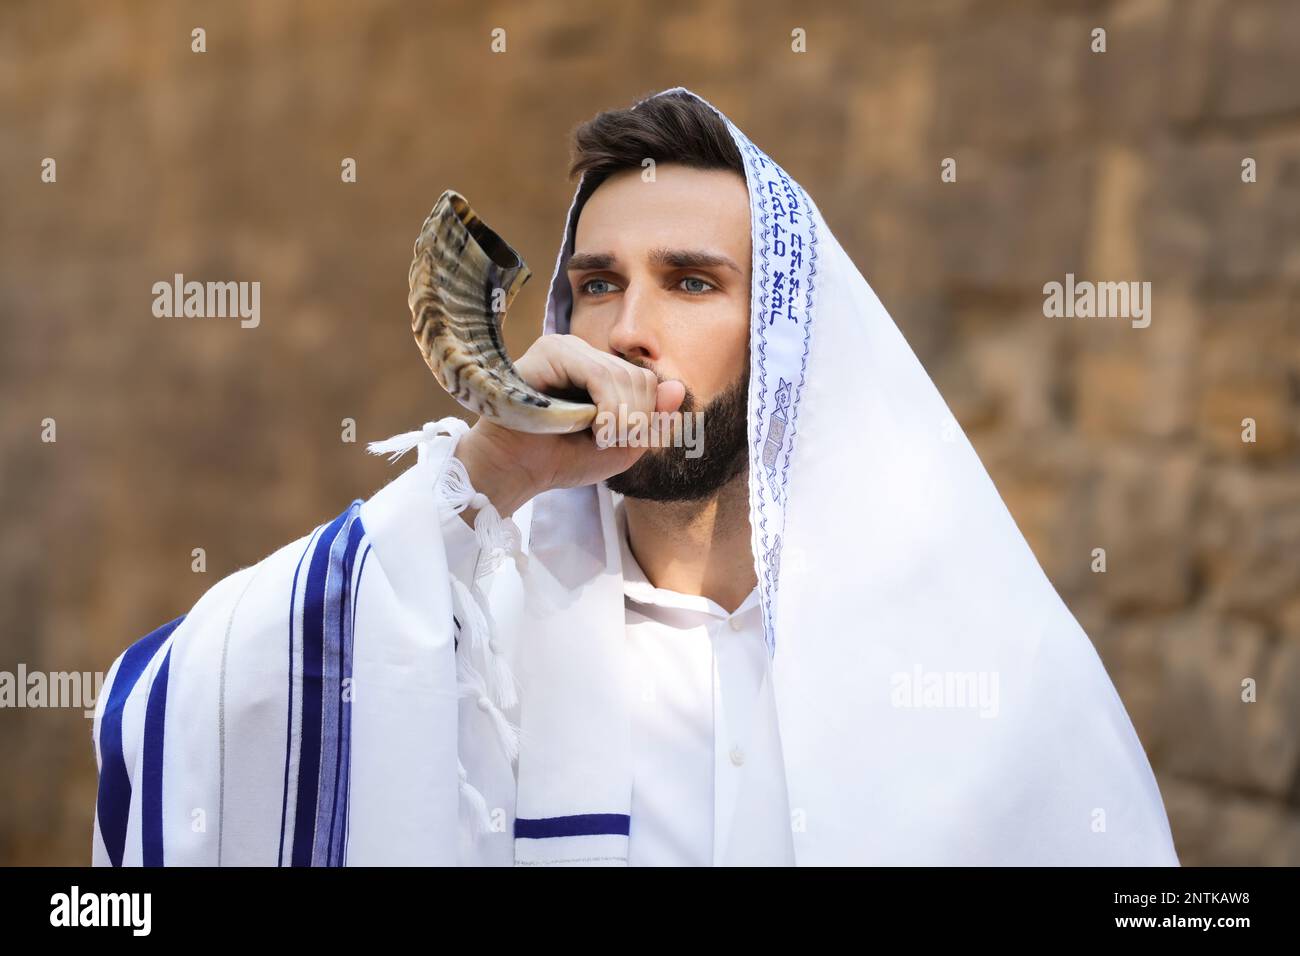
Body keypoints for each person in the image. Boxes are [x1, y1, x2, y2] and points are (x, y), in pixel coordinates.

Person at [91, 87, 1180, 866]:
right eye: (600, 284)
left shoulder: (971, 660)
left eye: (692, 283)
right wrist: (494, 468)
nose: (627, 331)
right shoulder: (470, 630)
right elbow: (187, 710)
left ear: (786, 338)